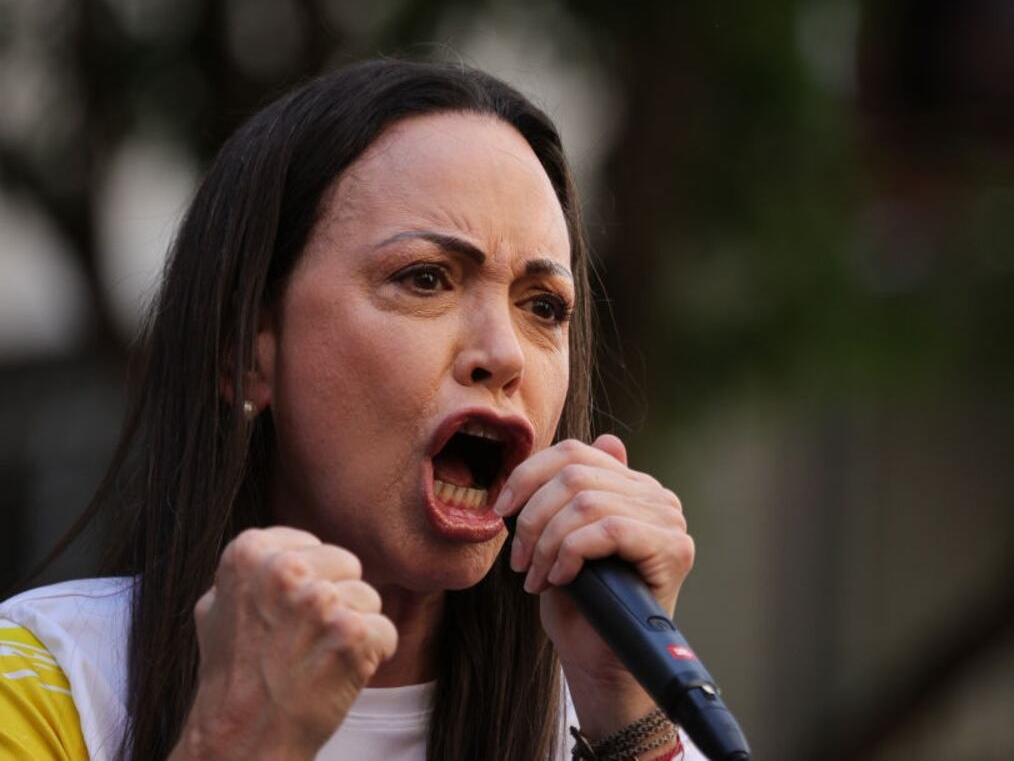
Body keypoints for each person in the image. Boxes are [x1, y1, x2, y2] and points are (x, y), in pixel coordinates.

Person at [0, 60, 702, 760]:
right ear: (244, 352)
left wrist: (630, 720)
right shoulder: (49, 680)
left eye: (543, 306)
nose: (504, 352)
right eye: (425, 279)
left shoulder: (614, 714)